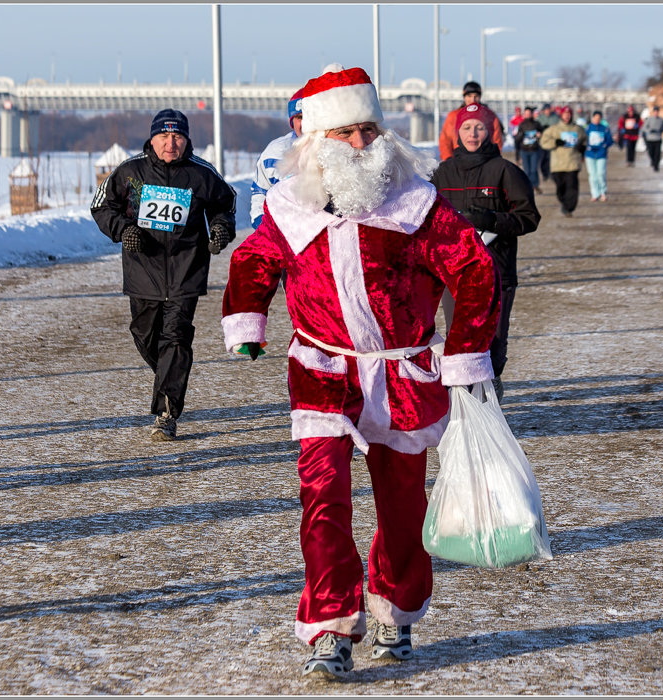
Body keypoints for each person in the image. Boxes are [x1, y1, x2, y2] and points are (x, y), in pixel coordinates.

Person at [220, 65, 500, 679]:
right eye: (344, 132)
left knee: (402, 505)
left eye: (368, 130)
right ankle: (330, 626)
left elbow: (476, 270)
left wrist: (464, 352)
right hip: (321, 370)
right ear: (316, 139)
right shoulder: (290, 207)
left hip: (402, 374)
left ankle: (396, 612)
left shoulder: (416, 206)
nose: (359, 144)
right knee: (323, 499)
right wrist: (247, 321)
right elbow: (253, 261)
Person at [91, 109, 237, 441]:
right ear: (152, 138)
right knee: (145, 335)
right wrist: (124, 229)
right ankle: (171, 375)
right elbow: (101, 206)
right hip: (144, 271)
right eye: (164, 137)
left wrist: (219, 228)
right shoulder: (130, 172)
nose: (171, 144)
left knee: (176, 339)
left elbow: (225, 204)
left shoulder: (201, 173)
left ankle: (166, 413)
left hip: (187, 270)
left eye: (178, 137)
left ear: (187, 139)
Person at [431, 102, 540, 399]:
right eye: (466, 127)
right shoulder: (442, 173)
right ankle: (467, 405)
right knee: (459, 342)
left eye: (479, 127)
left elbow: (530, 217)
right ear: (457, 132)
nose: (473, 133)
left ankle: (492, 389)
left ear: (490, 132)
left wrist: (490, 220)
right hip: (454, 275)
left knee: (493, 344)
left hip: (498, 273)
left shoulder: (506, 172)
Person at [250, 88, 303, 229]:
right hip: (282, 238)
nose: (305, 124)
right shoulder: (274, 153)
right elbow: (260, 193)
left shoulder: (337, 150)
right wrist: (261, 225)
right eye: (300, 117)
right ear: (292, 121)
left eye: (311, 117)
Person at [438, 80, 504, 161]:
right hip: (459, 161)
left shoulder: (489, 115)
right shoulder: (454, 116)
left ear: (480, 97)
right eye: (469, 96)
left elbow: (496, 139)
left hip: (483, 160)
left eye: (476, 96)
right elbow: (445, 139)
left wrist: (495, 159)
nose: (473, 99)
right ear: (464, 96)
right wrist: (448, 158)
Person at [541, 106, 588, 217]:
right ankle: (564, 203)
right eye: (565, 114)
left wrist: (582, 147)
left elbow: (585, 140)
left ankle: (569, 208)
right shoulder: (554, 129)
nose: (567, 116)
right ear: (561, 115)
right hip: (558, 164)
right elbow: (543, 142)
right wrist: (555, 142)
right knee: (560, 189)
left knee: (572, 187)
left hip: (572, 163)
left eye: (569, 113)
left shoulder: (578, 129)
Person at [584, 110, 615, 202]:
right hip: (590, 154)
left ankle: (603, 192)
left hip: (601, 154)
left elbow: (610, 140)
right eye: (595, 118)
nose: (597, 120)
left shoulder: (604, 129)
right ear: (592, 118)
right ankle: (594, 193)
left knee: (601, 174)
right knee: (592, 175)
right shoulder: (588, 128)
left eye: (599, 118)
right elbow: (583, 139)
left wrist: (605, 145)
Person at [515, 106, 544, 194]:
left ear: (532, 114)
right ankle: (528, 186)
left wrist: (540, 135)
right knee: (527, 170)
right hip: (524, 151)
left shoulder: (537, 124)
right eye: (526, 113)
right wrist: (517, 156)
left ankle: (535, 185)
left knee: (534, 169)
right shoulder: (522, 125)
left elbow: (543, 134)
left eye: (529, 113)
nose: (527, 115)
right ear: (524, 114)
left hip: (534, 150)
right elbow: (517, 140)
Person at [536, 104, 559, 180]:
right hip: (543, 141)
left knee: (551, 158)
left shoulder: (555, 118)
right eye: (546, 110)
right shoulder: (540, 118)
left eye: (548, 110)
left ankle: (551, 174)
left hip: (552, 141)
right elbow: (535, 127)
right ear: (543, 110)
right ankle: (544, 174)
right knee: (543, 158)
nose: (547, 111)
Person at [641, 105, 663, 171]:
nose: (656, 113)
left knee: (657, 153)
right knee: (651, 152)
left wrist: (660, 131)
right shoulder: (649, 119)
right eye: (655, 111)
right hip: (650, 139)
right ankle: (653, 161)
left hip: (658, 138)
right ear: (653, 112)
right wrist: (649, 131)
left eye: (657, 111)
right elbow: (644, 128)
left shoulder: (661, 120)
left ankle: (656, 165)